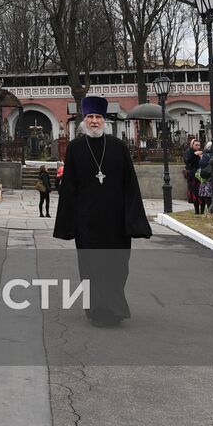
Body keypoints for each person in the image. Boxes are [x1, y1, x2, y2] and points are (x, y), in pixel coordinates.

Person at [53, 95, 153, 326]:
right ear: (83, 121)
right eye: (90, 117)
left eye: (98, 117)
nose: (95, 121)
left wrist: (133, 220)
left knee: (117, 266)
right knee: (91, 267)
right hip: (87, 222)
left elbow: (131, 186)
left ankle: (115, 307)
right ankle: (97, 308)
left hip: (116, 222)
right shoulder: (75, 148)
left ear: (105, 121)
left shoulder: (118, 148)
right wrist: (68, 224)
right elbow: (68, 187)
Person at [184, 137, 206, 214]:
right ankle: (196, 211)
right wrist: (194, 154)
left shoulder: (201, 152)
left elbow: (205, 162)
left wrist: (202, 157)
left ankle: (202, 210)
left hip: (201, 176)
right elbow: (187, 161)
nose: (198, 147)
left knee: (202, 193)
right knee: (194, 193)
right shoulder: (188, 152)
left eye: (199, 145)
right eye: (196, 145)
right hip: (192, 176)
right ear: (192, 145)